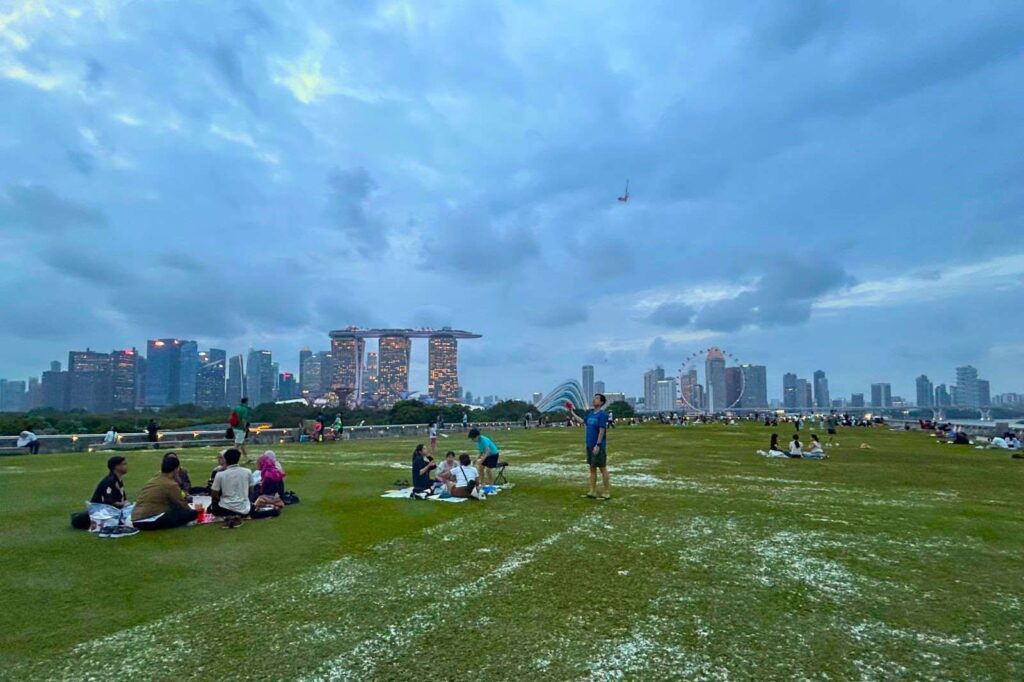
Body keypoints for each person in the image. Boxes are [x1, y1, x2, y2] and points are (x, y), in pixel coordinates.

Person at [132, 453, 198, 530]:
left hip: (135, 519)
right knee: (191, 514)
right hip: (150, 520)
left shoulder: (154, 480)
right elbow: (182, 504)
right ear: (176, 469)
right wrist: (195, 511)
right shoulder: (170, 484)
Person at [568, 393, 611, 499]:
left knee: (602, 468)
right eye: (594, 398)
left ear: (601, 402)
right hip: (589, 445)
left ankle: (606, 491)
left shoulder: (602, 415)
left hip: (598, 446)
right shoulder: (591, 414)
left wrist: (598, 445)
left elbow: (602, 431)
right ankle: (592, 490)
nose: (594, 400)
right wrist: (572, 412)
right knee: (592, 468)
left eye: (597, 398)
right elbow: (582, 421)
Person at [87, 455, 137, 537]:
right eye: (124, 464)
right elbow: (108, 502)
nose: (126, 466)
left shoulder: (117, 479)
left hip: (110, 511)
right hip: (103, 512)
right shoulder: (110, 481)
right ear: (116, 467)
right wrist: (123, 504)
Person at [210, 448, 252, 528]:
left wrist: (221, 500)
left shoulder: (220, 474)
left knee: (213, 505)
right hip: (245, 508)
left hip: (225, 508)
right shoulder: (247, 471)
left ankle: (229, 516)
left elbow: (214, 494)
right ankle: (237, 516)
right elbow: (251, 490)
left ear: (225, 460)